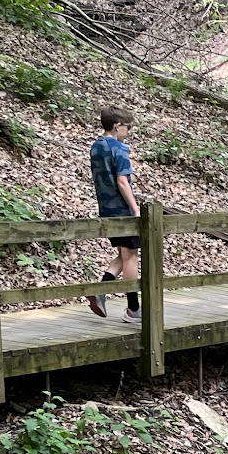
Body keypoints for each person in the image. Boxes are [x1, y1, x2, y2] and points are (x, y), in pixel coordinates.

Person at [87, 108, 142, 321]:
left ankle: (101, 289)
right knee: (130, 256)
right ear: (117, 125)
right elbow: (122, 180)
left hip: (106, 208)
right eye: (128, 127)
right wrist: (135, 209)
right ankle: (133, 309)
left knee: (124, 253)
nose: (129, 132)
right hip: (121, 208)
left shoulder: (96, 147)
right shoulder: (118, 148)